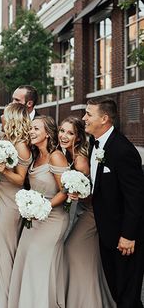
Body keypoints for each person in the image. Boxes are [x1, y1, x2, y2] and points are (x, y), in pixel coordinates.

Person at [83, 98, 144, 308]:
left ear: (104, 118)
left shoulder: (123, 150)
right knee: (116, 290)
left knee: (128, 296)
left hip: (124, 237)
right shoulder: (95, 142)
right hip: (107, 231)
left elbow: (136, 198)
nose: (84, 118)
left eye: (89, 114)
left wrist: (128, 236)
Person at [8, 116, 69, 308]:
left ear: (48, 134)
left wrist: (45, 207)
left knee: (38, 260)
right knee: (26, 257)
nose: (31, 132)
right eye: (30, 128)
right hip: (34, 218)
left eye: (36, 128)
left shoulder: (56, 156)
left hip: (53, 219)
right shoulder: (35, 156)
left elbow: (65, 191)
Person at [60, 116, 115, 308]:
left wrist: (78, 195)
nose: (64, 136)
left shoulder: (81, 160)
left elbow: (92, 195)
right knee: (88, 257)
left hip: (91, 213)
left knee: (72, 250)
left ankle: (86, 302)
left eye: (70, 133)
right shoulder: (64, 154)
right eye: (62, 131)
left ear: (78, 136)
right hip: (80, 212)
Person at [0, 103, 32, 308]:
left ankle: (4, 301)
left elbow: (21, 179)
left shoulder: (21, 145)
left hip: (9, 203)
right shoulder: (7, 140)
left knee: (4, 250)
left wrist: (3, 170)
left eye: (5, 115)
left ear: (13, 118)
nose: (1, 118)